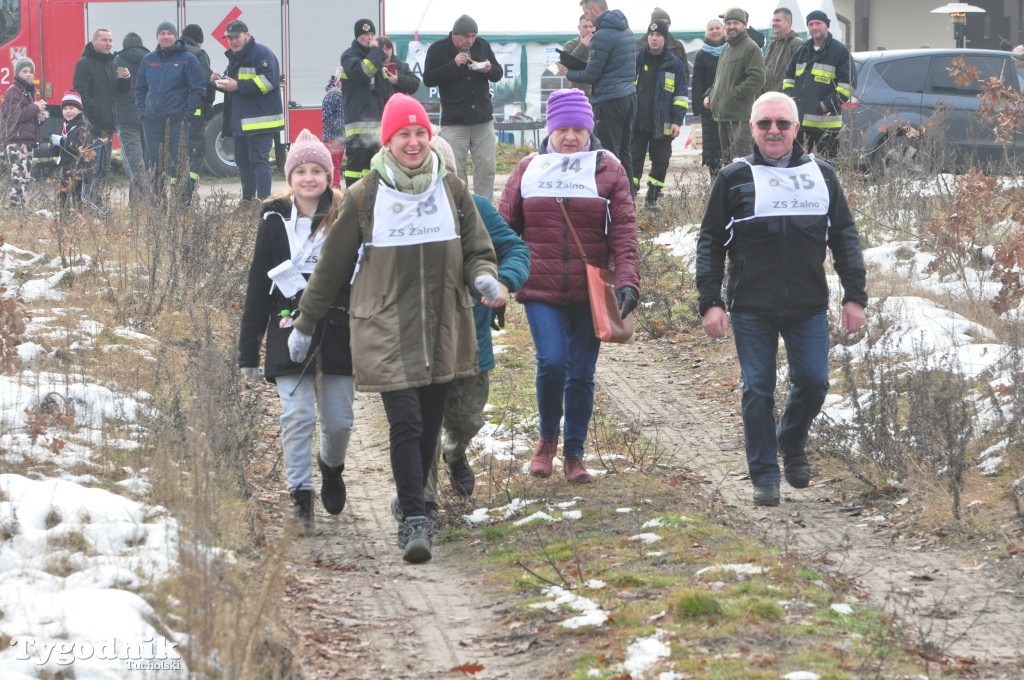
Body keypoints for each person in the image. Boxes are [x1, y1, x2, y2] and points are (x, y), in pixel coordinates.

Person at [289, 93, 499, 563]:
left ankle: (418, 503)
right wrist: (306, 320)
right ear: (388, 139)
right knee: (405, 421)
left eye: (420, 132)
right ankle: (415, 518)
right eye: (403, 133)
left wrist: (482, 275)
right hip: (385, 325)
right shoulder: (366, 195)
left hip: (442, 324)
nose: (413, 141)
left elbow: (477, 248)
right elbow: (331, 268)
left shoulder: (451, 189)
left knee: (427, 425)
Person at [695, 91, 867, 507]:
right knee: (759, 387)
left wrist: (854, 295)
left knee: (813, 382)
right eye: (765, 123)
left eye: (782, 124)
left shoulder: (822, 174)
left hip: (806, 303)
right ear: (751, 128)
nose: (774, 131)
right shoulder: (733, 177)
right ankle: (765, 475)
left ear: (796, 128)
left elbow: (844, 236)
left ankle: (790, 441)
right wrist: (710, 300)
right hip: (751, 304)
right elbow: (710, 242)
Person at [498, 88, 640, 483]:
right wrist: (497, 281)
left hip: (589, 289)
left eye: (579, 129)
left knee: (581, 372)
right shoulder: (528, 168)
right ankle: (546, 441)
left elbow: (625, 232)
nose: (571, 138)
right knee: (553, 362)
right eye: (563, 129)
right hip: (539, 286)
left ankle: (574, 455)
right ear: (550, 129)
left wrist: (627, 280)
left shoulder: (607, 170)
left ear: (590, 130)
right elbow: (503, 229)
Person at [238, 129, 351, 536]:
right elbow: (257, 285)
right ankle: (300, 498)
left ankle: (331, 468)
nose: (308, 178)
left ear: (328, 174)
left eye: (316, 170)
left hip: (339, 329)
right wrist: (247, 351)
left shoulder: (345, 215)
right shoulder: (273, 222)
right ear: (290, 177)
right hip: (287, 326)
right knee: (298, 415)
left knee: (338, 423)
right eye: (300, 170)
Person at [422, 136, 530, 509]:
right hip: (421, 339)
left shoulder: (477, 208)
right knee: (423, 426)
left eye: (447, 172)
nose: (440, 181)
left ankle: (455, 451)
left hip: (471, 338)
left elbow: (515, 248)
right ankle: (424, 503)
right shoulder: (402, 211)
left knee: (467, 419)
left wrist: (504, 281)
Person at [422, 14, 503, 202]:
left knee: (486, 168)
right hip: (454, 121)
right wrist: (453, 65)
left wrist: (489, 69)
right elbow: (428, 79)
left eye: (473, 36)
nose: (470, 40)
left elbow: (498, 73)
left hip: (483, 119)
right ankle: (461, 210)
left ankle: (485, 211)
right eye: (466, 36)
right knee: (455, 170)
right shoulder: (438, 49)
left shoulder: (482, 45)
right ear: (455, 35)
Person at [559, 0, 636, 191]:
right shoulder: (627, 31)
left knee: (608, 154)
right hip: (628, 98)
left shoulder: (602, 36)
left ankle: (612, 199)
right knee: (625, 152)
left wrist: (568, 72)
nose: (586, 18)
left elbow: (591, 75)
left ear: (595, 9)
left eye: (586, 13)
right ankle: (629, 197)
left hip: (608, 101)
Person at [339, 22, 420, 186]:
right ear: (357, 36)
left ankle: (373, 199)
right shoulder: (349, 56)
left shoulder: (375, 57)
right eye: (365, 35)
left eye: (371, 35)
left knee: (375, 167)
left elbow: (385, 90)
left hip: (378, 124)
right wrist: (376, 52)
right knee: (356, 168)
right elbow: (364, 72)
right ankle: (354, 201)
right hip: (358, 124)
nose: (369, 38)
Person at [212, 20, 284, 202]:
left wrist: (238, 85)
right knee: (243, 163)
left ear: (247, 35)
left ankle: (264, 203)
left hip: (262, 120)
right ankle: (247, 203)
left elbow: (269, 81)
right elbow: (234, 87)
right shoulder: (236, 57)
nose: (234, 41)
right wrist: (217, 82)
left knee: (259, 161)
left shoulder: (262, 54)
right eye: (230, 38)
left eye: (237, 37)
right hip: (242, 121)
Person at [134, 21, 206, 202]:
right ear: (157, 36)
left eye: (169, 33)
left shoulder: (188, 59)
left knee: (181, 165)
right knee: (156, 166)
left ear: (175, 36)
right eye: (162, 33)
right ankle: (159, 205)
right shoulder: (148, 59)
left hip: (176, 122)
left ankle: (183, 205)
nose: (166, 36)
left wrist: (185, 116)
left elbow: (198, 89)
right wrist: (143, 112)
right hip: (151, 122)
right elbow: (140, 89)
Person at [631, 19, 688, 211]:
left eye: (658, 35)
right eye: (651, 35)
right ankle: (629, 196)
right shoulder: (636, 59)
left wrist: (677, 121)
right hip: (637, 122)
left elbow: (680, 95)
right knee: (632, 161)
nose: (654, 39)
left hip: (663, 122)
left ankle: (652, 199)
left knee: (661, 161)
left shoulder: (674, 63)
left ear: (665, 38)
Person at [783, 10, 854, 159]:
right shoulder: (802, 50)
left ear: (827, 26)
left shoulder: (840, 52)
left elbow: (849, 85)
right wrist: (790, 100)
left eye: (818, 23)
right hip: (800, 123)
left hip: (826, 125)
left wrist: (824, 106)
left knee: (828, 166)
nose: (814, 27)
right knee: (798, 164)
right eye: (811, 24)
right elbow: (788, 77)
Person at [73, 28, 130, 207]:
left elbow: (121, 91)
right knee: (91, 169)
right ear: (94, 42)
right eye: (104, 40)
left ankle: (97, 204)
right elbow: (81, 92)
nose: (108, 44)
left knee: (104, 169)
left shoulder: (114, 63)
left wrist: (126, 79)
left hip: (108, 125)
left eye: (110, 41)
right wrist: (95, 114)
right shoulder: (84, 64)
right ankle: (86, 204)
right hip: (92, 126)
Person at [706, 8, 765, 163]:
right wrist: (713, 96)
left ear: (744, 25)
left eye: (736, 23)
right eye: (728, 23)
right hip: (723, 115)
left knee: (742, 163)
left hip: (739, 117)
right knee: (728, 164)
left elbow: (758, 78)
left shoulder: (751, 47)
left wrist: (734, 95)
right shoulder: (727, 48)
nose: (732, 26)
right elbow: (720, 79)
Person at [1, 57, 46, 210]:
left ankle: (21, 208)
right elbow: (14, 116)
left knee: (25, 177)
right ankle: (15, 209)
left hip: (27, 140)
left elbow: (28, 117)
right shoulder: (13, 91)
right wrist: (35, 107)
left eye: (31, 71)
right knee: (18, 176)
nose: (28, 74)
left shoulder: (28, 91)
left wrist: (40, 117)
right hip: (15, 140)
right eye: (24, 71)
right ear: (17, 73)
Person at [48, 91, 96, 215]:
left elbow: (79, 147)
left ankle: (81, 226)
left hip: (79, 171)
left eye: (71, 108)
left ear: (79, 109)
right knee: (62, 200)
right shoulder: (65, 126)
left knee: (78, 201)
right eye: (65, 108)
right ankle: (63, 224)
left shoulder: (83, 126)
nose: (68, 111)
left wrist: (62, 141)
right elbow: (58, 150)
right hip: (64, 170)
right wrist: (53, 144)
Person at [114, 33, 150, 197]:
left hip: (127, 118)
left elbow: (120, 88)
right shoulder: (150, 60)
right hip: (147, 116)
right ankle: (137, 207)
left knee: (134, 163)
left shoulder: (120, 62)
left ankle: (145, 204)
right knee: (145, 162)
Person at [181, 24, 215, 187]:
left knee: (177, 152)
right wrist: (209, 103)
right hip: (194, 111)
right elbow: (206, 82)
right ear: (199, 40)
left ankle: (175, 189)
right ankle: (188, 190)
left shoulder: (172, 51)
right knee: (196, 152)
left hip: (172, 111)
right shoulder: (198, 54)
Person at [692, 19, 725, 176]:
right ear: (707, 32)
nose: (715, 31)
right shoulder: (702, 54)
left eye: (718, 27)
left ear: (723, 30)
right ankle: (714, 175)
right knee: (711, 145)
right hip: (708, 106)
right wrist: (698, 107)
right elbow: (697, 81)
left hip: (727, 104)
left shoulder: (729, 50)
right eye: (711, 28)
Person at [636, 8, 690, 81]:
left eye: (667, 23)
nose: (666, 26)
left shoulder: (677, 45)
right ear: (653, 25)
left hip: (669, 90)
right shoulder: (638, 45)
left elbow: (684, 74)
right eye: (662, 23)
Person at [762, 7, 804, 94]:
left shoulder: (796, 43)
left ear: (788, 22)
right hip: (766, 95)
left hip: (783, 97)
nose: (774, 24)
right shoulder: (773, 43)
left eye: (777, 20)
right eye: (773, 20)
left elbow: (800, 75)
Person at [321, 68, 345, 188]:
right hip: (332, 136)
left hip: (341, 137)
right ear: (338, 81)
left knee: (338, 163)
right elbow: (327, 117)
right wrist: (340, 129)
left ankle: (334, 185)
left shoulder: (342, 95)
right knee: (333, 163)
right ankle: (335, 186)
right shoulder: (332, 95)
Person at [562, 14, 595, 100]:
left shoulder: (601, 44)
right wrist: (582, 46)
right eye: (585, 27)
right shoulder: (570, 45)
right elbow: (567, 66)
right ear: (579, 28)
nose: (588, 30)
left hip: (597, 94)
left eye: (591, 26)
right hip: (578, 94)